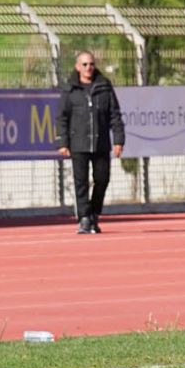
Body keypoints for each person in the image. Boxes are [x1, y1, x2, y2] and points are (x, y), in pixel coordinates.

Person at [57, 51, 124, 234]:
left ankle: (94, 213)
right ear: (77, 67)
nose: (89, 68)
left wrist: (118, 140)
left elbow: (115, 114)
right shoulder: (70, 90)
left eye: (91, 64)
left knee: (102, 179)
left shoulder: (104, 86)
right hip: (78, 143)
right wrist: (63, 142)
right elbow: (62, 117)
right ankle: (84, 218)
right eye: (85, 64)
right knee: (81, 182)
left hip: (101, 142)